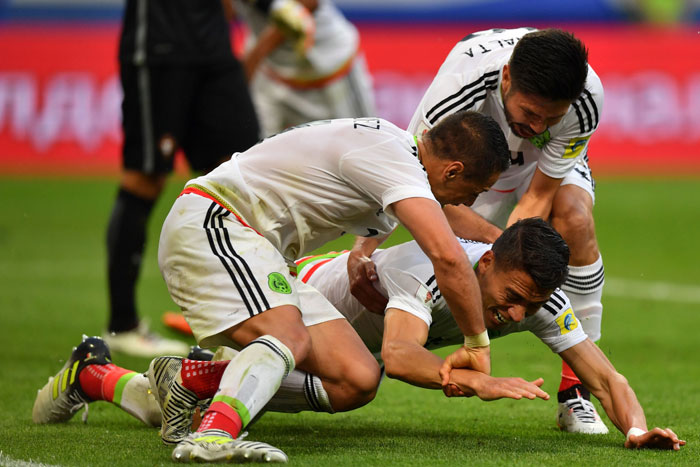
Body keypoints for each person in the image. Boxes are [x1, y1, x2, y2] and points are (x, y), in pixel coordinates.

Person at [32, 219, 685, 452]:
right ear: (484, 264)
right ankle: (198, 375)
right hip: (292, 296)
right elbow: (399, 353)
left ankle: (91, 372)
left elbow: (607, 376)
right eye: (511, 297)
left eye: (529, 305)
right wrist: (475, 379)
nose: (516, 314)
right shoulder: (435, 269)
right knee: (359, 381)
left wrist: (635, 428)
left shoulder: (531, 295)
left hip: (333, 335)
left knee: (165, 407)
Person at [155, 110, 510, 462]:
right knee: (288, 337)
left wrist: (504, 241)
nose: (468, 203)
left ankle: (189, 380)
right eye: (475, 191)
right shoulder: (395, 160)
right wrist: (478, 345)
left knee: (357, 378)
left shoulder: (394, 152)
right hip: (219, 222)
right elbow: (448, 257)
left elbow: (430, 218)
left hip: (261, 251)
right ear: (453, 170)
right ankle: (214, 435)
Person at [349, 27, 608, 434]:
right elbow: (417, 181)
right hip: (477, 155)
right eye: (529, 112)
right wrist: (363, 249)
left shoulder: (586, 100)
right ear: (507, 79)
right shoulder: (459, 86)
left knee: (574, 218)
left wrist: (511, 255)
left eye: (551, 118)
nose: (539, 124)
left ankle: (576, 393)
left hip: (536, 167)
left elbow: (538, 196)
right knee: (448, 215)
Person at [106, 0, 261, 357]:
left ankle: (243, 316)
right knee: (146, 178)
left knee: (241, 172)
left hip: (214, 45)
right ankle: (122, 324)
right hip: (161, 42)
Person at [230, 0, 376, 136]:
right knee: (260, 152)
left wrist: (255, 57)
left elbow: (309, 3)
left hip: (329, 68)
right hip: (270, 73)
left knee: (361, 143)